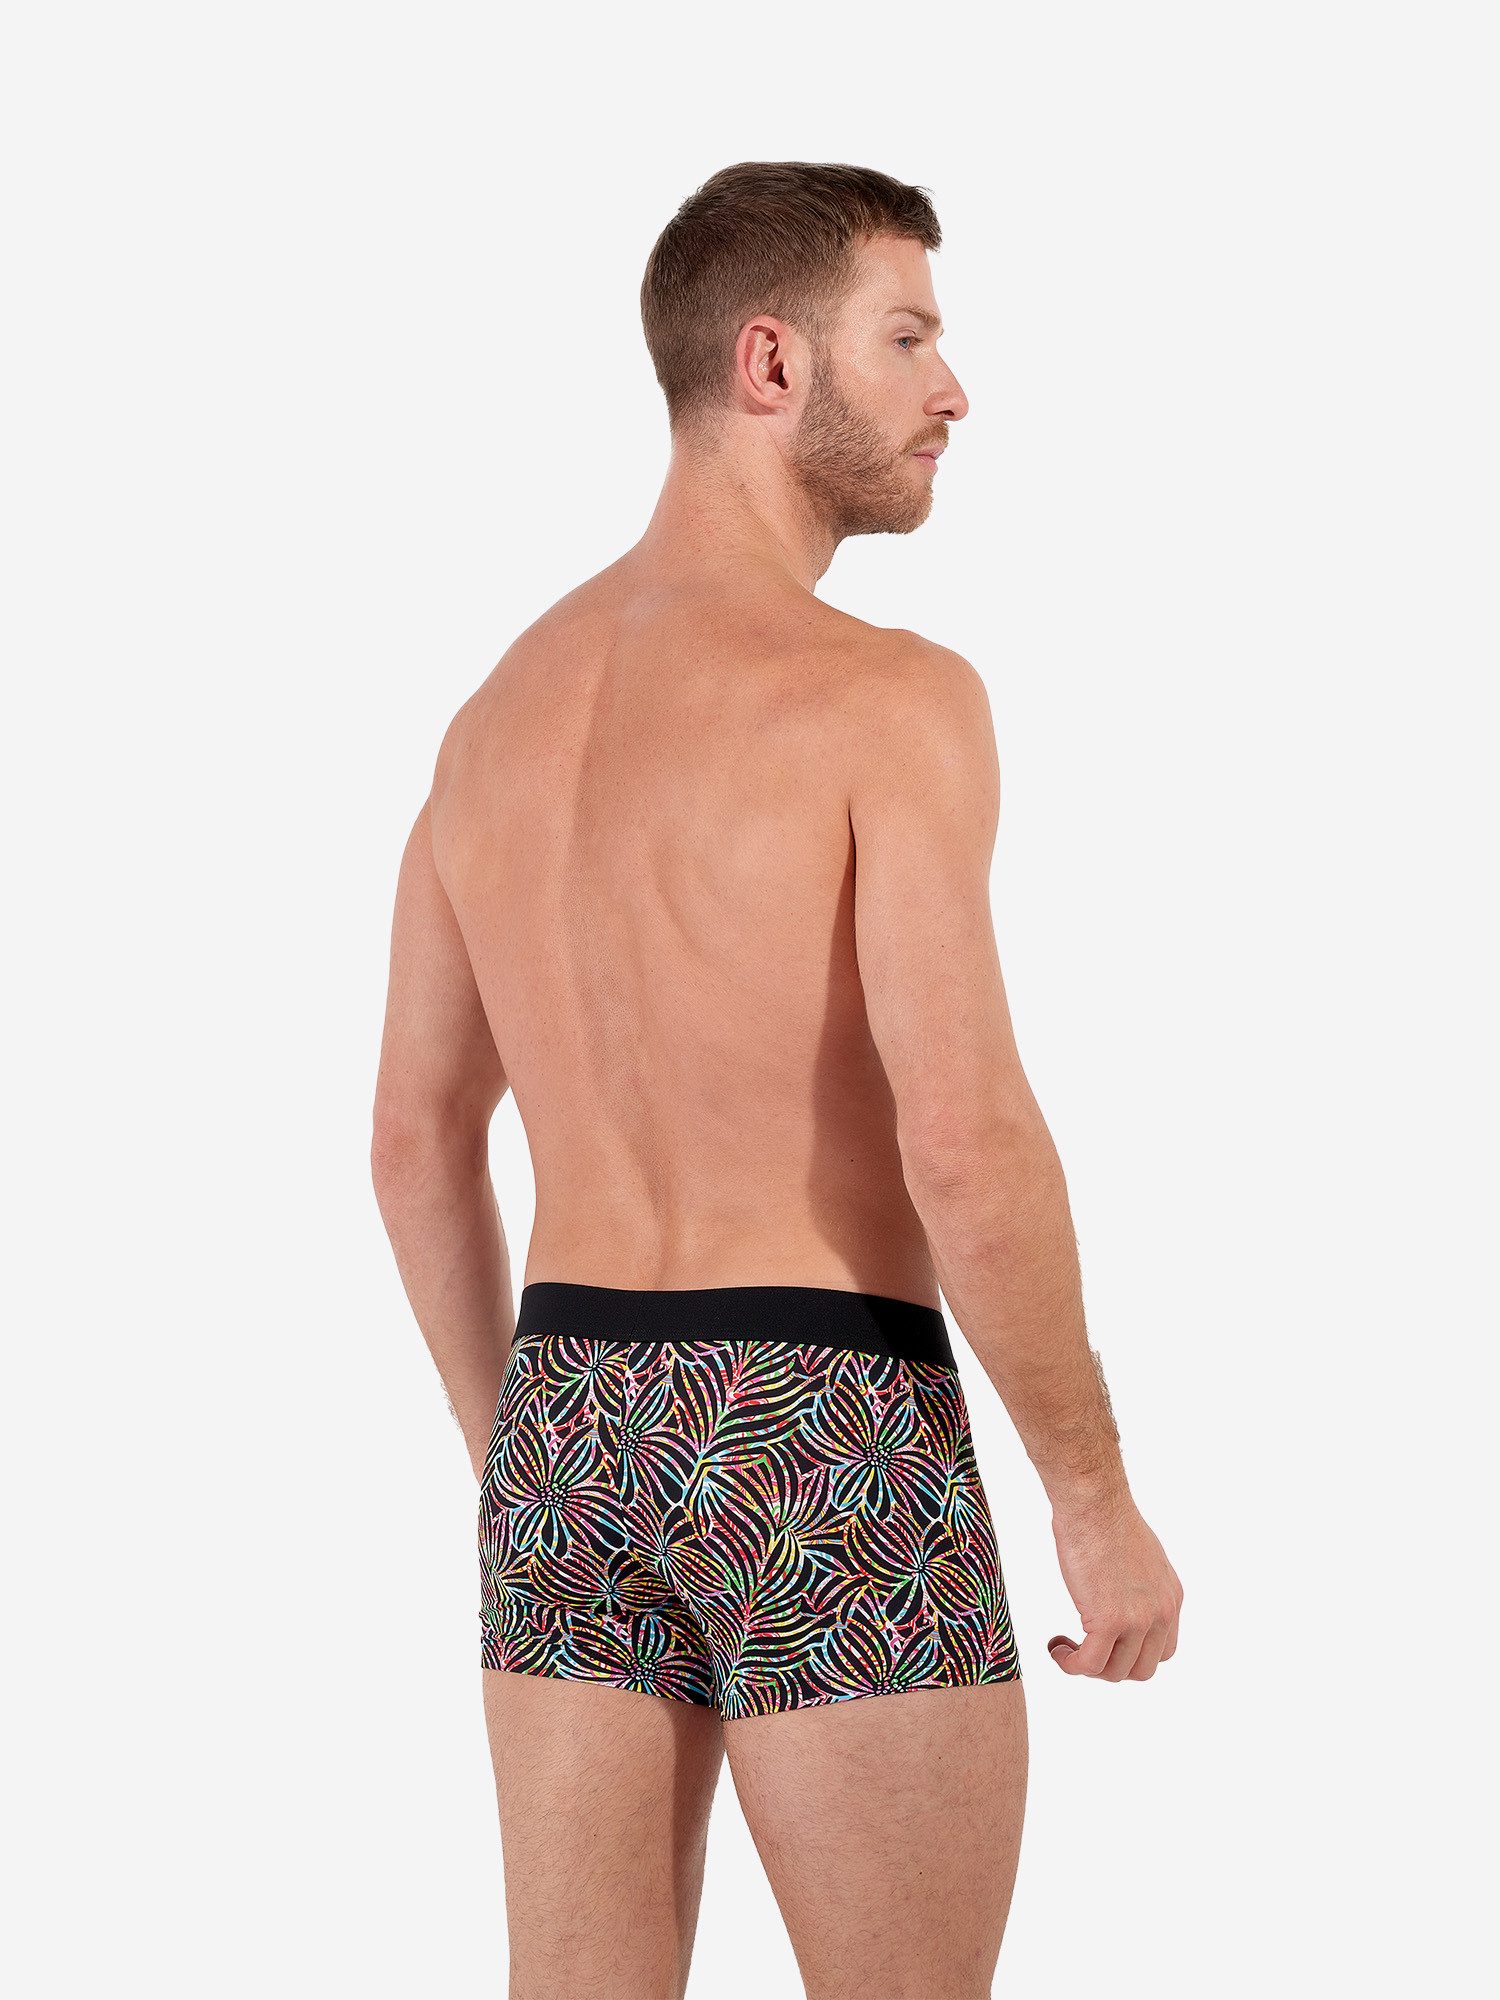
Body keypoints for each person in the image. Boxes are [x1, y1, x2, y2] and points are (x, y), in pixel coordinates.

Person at [371, 160, 1183, 2000]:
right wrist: (1091, 1493)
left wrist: (521, 1465)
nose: (952, 390)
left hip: (567, 1412)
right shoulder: (885, 697)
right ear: (769, 363)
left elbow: (414, 1139)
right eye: (908, 338)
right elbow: (962, 1136)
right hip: (821, 1414)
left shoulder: (494, 717)